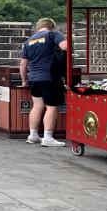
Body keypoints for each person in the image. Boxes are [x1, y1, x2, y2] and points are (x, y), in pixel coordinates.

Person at [20, 18, 68, 147]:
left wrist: (24, 81)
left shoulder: (29, 41)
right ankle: (47, 138)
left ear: (38, 27)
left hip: (34, 79)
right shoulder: (53, 34)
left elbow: (23, 64)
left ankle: (33, 135)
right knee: (52, 107)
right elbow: (65, 47)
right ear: (52, 26)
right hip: (50, 78)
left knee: (37, 106)